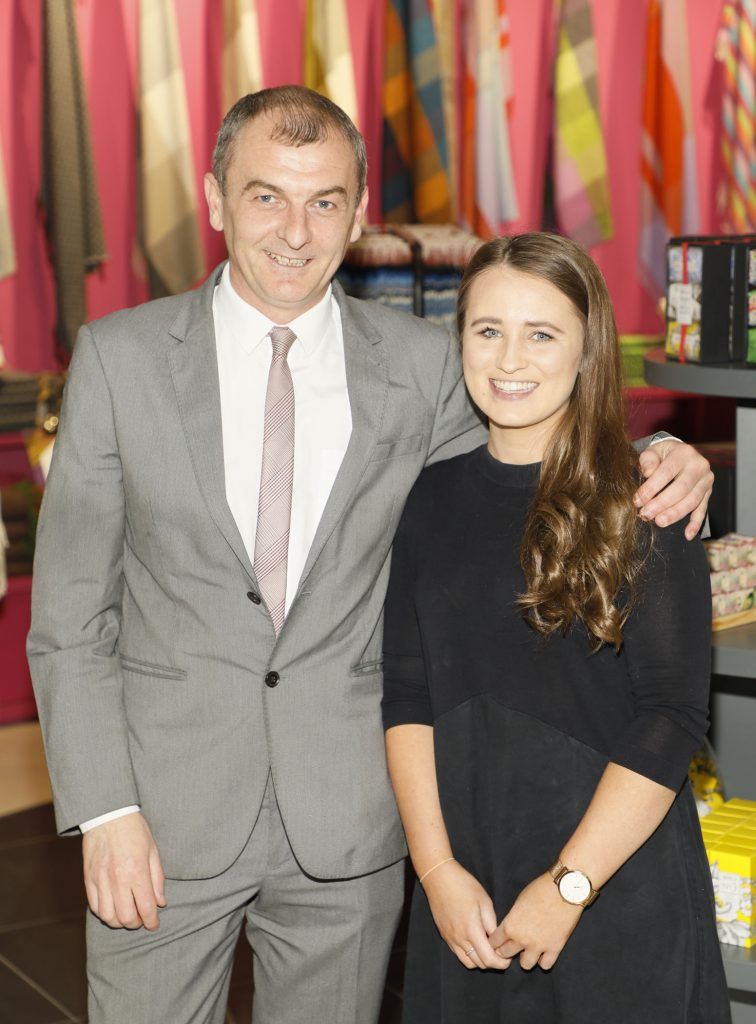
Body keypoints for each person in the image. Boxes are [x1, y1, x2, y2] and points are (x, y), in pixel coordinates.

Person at [27, 87, 713, 1024]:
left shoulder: (428, 363)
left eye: (325, 201)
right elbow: (70, 617)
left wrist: (663, 461)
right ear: (217, 198)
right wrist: (104, 811)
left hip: (352, 824)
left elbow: (533, 455)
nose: (295, 231)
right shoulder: (118, 359)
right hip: (159, 818)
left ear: (357, 216)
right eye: (266, 195)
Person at [382, 232, 730, 1024]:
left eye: (542, 334)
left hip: (614, 883)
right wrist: (435, 871)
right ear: (460, 338)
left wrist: (570, 884)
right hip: (468, 887)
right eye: (487, 329)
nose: (510, 359)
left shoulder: (646, 498)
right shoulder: (429, 499)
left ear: (586, 352)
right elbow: (405, 694)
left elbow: (672, 717)